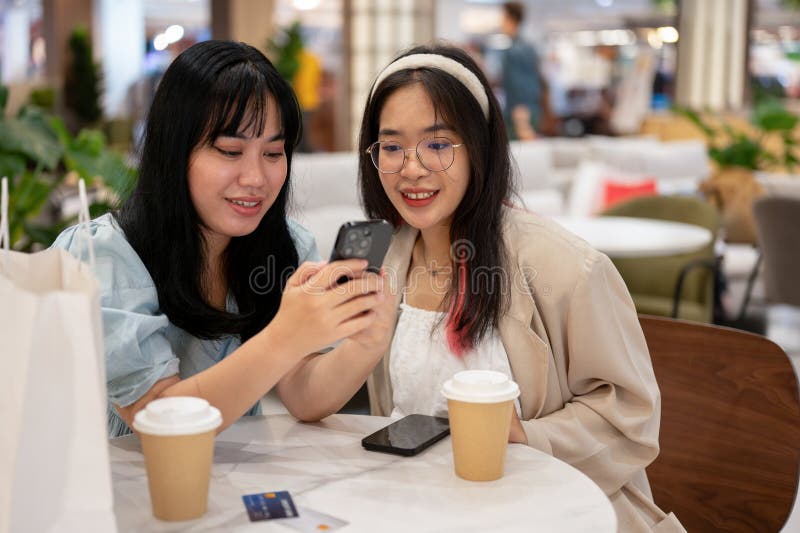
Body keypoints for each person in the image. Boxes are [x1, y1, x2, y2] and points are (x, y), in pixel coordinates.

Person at [283, 44, 685, 532]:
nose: (411, 168)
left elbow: (632, 419)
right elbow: (310, 402)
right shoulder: (383, 262)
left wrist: (522, 436)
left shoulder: (564, 268)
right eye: (391, 146)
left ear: (480, 147)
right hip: (423, 511)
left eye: (438, 144)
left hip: (556, 514)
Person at [52, 40, 391, 438]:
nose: (256, 179)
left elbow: (304, 397)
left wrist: (367, 343)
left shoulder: (286, 246)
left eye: (273, 153)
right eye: (230, 151)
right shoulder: (102, 256)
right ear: (175, 152)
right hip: (122, 494)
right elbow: (159, 420)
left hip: (233, 490)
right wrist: (285, 335)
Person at [500, 1, 543, 140]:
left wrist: (521, 118)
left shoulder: (515, 51)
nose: (501, 23)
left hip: (520, 114)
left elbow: (519, 84)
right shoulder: (527, 47)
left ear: (511, 20)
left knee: (521, 156)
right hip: (528, 109)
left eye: (503, 18)